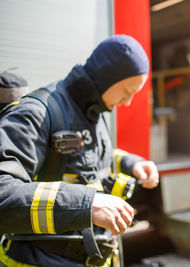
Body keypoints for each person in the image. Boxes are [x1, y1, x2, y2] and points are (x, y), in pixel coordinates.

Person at [0, 35, 159, 266]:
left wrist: (131, 163)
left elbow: (89, 158)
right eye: (128, 90)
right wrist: (87, 204)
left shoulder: (91, 110)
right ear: (108, 77)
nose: (127, 101)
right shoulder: (36, 112)